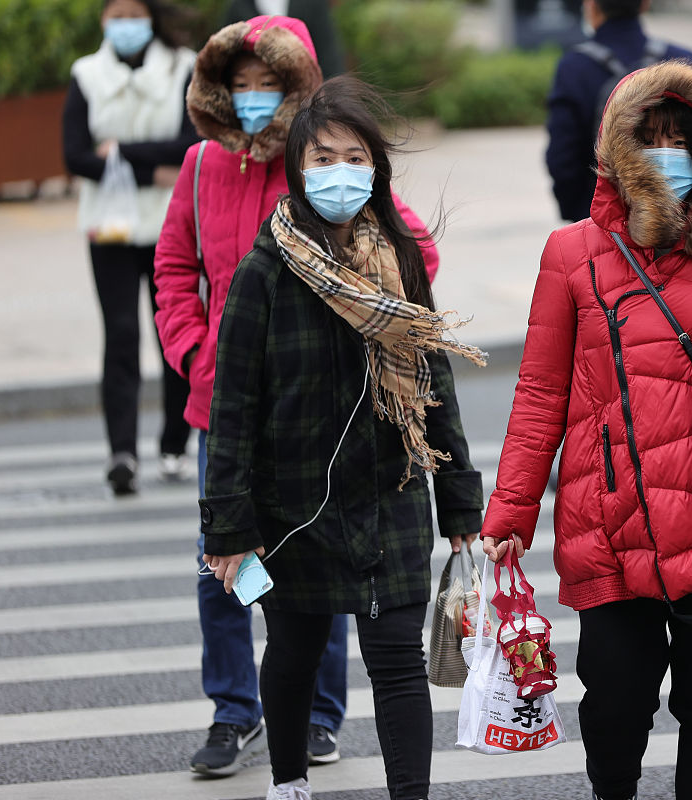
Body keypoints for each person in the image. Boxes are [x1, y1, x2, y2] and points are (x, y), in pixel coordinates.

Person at [483, 61, 692, 800]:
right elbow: (540, 390)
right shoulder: (571, 255)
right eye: (647, 138)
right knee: (615, 704)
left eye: (681, 138)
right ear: (616, 151)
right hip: (610, 518)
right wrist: (511, 509)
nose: (665, 153)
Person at [154, 14, 437, 777]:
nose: (252, 100)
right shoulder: (201, 166)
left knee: (325, 568)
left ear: (294, 88)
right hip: (224, 400)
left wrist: (354, 303)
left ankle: (316, 715)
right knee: (224, 567)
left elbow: (413, 249)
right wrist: (193, 350)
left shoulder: (316, 161)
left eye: (267, 85)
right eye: (238, 86)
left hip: (317, 405)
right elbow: (174, 267)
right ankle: (232, 711)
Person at [200, 75, 485, 800]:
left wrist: (459, 502)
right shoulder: (263, 272)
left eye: (354, 157)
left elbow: (433, 383)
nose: (339, 173)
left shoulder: (398, 259)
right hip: (292, 505)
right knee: (293, 652)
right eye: (322, 158)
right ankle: (289, 784)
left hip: (389, 493)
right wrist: (229, 524)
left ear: (377, 168)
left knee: (395, 660)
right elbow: (232, 406)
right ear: (296, 168)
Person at [62, 0, 197, 494]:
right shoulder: (87, 74)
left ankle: (174, 446)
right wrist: (152, 170)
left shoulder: (184, 66)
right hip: (110, 227)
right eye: (115, 15)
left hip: (172, 224)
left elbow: (189, 143)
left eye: (133, 14)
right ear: (103, 20)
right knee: (120, 336)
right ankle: (121, 452)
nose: (125, 25)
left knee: (175, 336)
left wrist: (118, 154)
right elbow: (74, 154)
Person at [545, 0, 692, 223]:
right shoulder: (682, 61)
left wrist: (581, 213)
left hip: (599, 217)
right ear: (645, 4)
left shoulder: (574, 66)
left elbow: (562, 156)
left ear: (591, 5)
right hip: (675, 216)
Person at [220, 0, 346, 77]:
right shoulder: (238, 6)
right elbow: (224, 57)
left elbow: (329, 56)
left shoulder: (311, 4)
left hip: (306, 101)